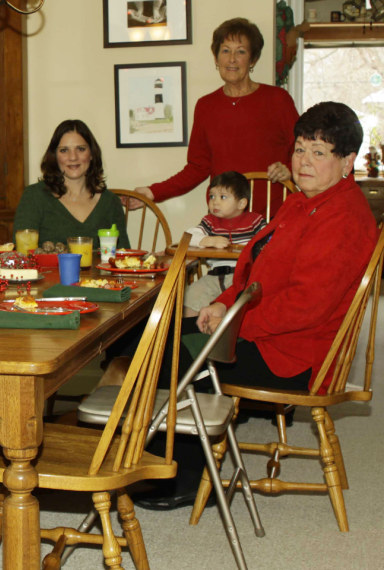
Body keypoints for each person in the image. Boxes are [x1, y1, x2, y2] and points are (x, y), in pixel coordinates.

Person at [135, 101, 378, 510]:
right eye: (300, 148)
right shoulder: (303, 202)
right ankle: (146, 455)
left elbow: (305, 307)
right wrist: (221, 302)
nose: (303, 161)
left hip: (297, 356)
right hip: (270, 334)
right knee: (157, 338)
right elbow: (256, 270)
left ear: (347, 161)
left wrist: (232, 325)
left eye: (319, 152)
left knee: (169, 354)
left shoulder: (343, 217)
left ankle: (188, 476)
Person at [134, 18, 299, 218]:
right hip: (224, 222)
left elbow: (302, 152)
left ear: (253, 59)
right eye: (225, 51)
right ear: (216, 58)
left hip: (274, 219)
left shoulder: (277, 100)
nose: (232, 59)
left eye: (241, 51)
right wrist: (152, 192)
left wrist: (288, 170)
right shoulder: (206, 106)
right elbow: (197, 168)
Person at [13, 119, 131, 249]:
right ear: (54, 156)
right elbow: (22, 256)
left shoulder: (111, 202)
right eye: (64, 150)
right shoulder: (34, 197)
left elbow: (123, 256)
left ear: (91, 154)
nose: (73, 157)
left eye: (80, 149)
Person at [183, 171, 265, 317]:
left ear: (241, 203)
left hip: (242, 278)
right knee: (189, 298)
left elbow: (271, 240)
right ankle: (191, 334)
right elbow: (188, 236)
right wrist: (208, 240)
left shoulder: (255, 221)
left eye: (223, 197)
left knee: (249, 303)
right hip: (213, 277)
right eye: (212, 196)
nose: (215, 201)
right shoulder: (210, 222)